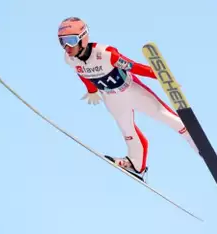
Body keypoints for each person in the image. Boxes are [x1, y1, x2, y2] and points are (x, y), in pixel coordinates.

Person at [58, 16, 199, 176]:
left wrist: (161, 76)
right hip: (111, 98)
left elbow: (134, 67)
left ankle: (196, 141)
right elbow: (83, 74)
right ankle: (137, 165)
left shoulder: (105, 54)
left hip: (131, 90)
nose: (67, 47)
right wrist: (91, 90)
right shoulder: (70, 59)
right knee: (128, 132)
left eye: (71, 40)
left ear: (83, 38)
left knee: (163, 116)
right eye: (62, 42)